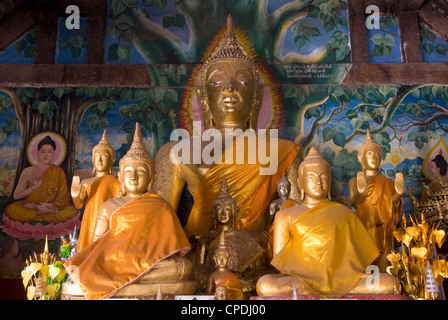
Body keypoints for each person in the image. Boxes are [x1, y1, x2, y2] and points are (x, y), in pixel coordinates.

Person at [154, 15, 301, 238]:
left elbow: (301, 224)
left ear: (257, 98)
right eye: (216, 82)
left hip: (257, 253)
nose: (229, 88)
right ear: (203, 97)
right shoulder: (175, 152)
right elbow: (157, 231)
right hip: (199, 253)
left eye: (243, 82)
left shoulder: (284, 151)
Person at [64, 124, 192, 300]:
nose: (134, 176)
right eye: (129, 171)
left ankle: (121, 285)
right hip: (115, 263)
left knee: (182, 268)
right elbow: (95, 246)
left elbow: (171, 248)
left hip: (150, 265)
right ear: (121, 178)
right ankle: (123, 283)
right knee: (86, 271)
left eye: (140, 171)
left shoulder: (161, 206)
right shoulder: (110, 206)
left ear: (151, 179)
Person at [256, 148, 399, 298]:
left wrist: (349, 275)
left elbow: (357, 262)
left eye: (323, 177)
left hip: (342, 279)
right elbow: (282, 265)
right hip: (301, 280)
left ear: (330, 182)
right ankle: (323, 289)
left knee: (390, 283)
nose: (318, 182)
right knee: (265, 285)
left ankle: (330, 288)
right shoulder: (285, 216)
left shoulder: (344, 213)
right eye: (311, 177)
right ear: (300, 183)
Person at [349, 129, 404, 272]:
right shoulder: (355, 180)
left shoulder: (388, 182)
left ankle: (387, 291)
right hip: (364, 226)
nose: (373, 157)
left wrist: (398, 194)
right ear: (361, 158)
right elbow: (352, 201)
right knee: (365, 264)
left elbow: (393, 204)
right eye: (369, 154)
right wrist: (360, 192)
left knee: (385, 266)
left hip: (383, 228)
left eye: (377, 154)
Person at [4, 135, 77, 224]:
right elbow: (17, 195)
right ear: (38, 153)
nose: (46, 155)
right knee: (12, 210)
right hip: (31, 206)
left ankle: (43, 211)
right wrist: (33, 188)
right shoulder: (27, 171)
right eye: (43, 152)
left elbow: (63, 197)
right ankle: (42, 212)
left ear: (54, 153)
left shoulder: (58, 172)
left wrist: (49, 206)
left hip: (50, 206)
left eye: (49, 152)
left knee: (71, 211)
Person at [71, 129, 121, 252]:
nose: (99, 161)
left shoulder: (117, 182)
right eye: (96, 157)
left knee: (103, 250)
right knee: (87, 249)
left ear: (112, 160)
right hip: (89, 219)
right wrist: (74, 195)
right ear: (92, 159)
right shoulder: (86, 182)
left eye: (104, 157)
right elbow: (79, 205)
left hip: (108, 221)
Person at [265, 176, 297, 261]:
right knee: (273, 235)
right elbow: (271, 216)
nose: (283, 189)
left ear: (289, 189)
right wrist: (272, 209)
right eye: (281, 187)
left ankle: (289, 260)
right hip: (276, 227)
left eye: (286, 187)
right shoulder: (275, 203)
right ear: (278, 189)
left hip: (290, 227)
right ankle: (276, 259)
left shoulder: (294, 203)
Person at [205, 232, 245, 300]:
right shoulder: (212, 276)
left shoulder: (232, 276)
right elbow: (208, 295)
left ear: (228, 260)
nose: (221, 260)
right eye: (219, 258)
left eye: (224, 258)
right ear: (215, 259)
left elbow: (239, 295)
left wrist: (228, 295)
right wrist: (217, 294)